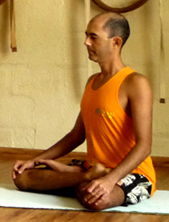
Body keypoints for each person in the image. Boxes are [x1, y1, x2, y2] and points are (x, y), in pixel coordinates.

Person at [12, 12, 156, 210]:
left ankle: (78, 178)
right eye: (86, 35)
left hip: (134, 173)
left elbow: (144, 146)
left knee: (96, 199)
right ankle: (84, 176)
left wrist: (110, 179)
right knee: (22, 178)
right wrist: (34, 160)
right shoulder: (92, 82)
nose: (86, 42)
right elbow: (75, 136)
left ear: (115, 42)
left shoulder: (136, 83)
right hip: (91, 167)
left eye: (93, 37)